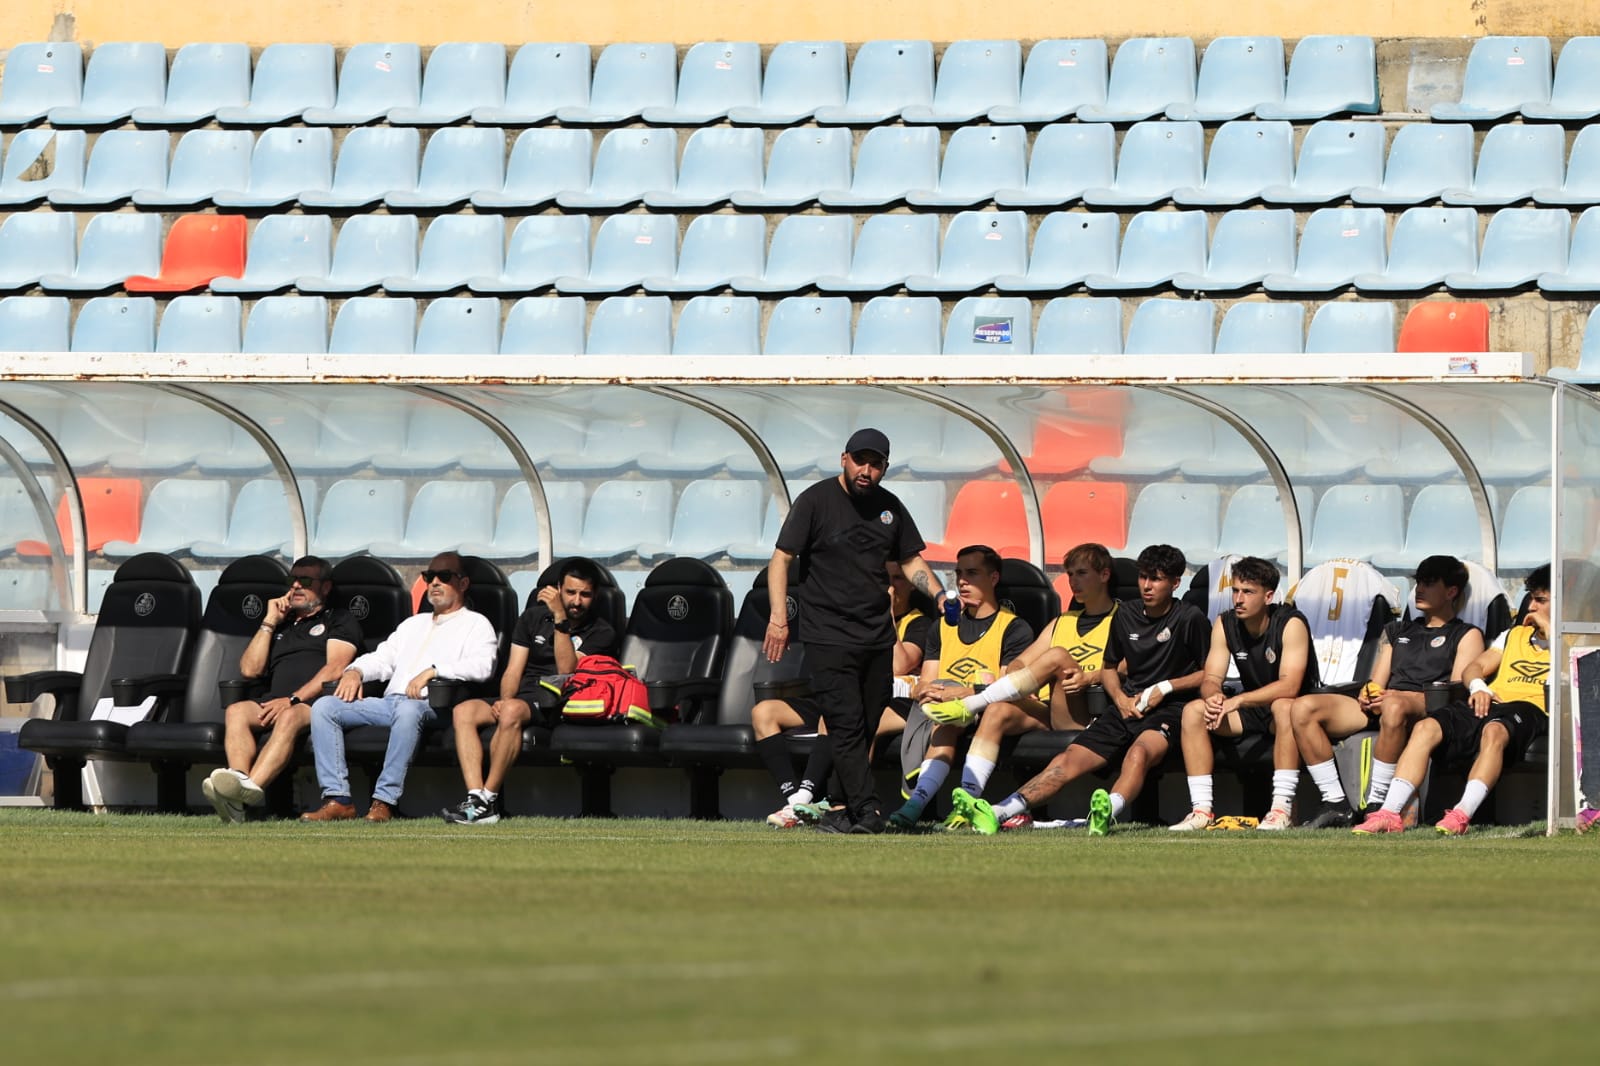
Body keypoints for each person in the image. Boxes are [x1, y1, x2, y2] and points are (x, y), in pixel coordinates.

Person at [945, 544, 1208, 836]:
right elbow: (1110, 667)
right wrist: (1120, 699)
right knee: (1065, 760)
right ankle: (998, 811)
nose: (1147, 585)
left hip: (1166, 711)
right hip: (1121, 709)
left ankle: (1107, 809)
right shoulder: (1126, 615)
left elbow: (1210, 674)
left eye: (1156, 579)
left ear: (1175, 583)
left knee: (1139, 754)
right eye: (1143, 577)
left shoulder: (1190, 618)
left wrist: (1165, 687)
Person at [763, 428, 944, 835]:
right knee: (844, 722)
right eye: (860, 460)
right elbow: (781, 559)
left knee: (863, 723)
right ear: (843, 458)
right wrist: (779, 618)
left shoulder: (890, 508)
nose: (867, 470)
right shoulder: (815, 501)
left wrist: (940, 595)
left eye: (876, 463)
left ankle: (839, 809)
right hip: (828, 634)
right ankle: (867, 810)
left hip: (876, 636)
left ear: (884, 466)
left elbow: (911, 561)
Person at [302, 552, 498, 823]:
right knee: (325, 707)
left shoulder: (476, 624)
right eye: (429, 577)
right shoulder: (412, 624)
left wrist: (435, 670)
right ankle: (338, 799)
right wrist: (355, 671)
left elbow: (483, 667)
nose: (434, 583)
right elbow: (382, 659)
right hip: (389, 702)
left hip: (434, 705)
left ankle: (383, 800)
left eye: (444, 577)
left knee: (407, 711)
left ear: (463, 584)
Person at [1289, 555, 1484, 826]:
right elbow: (1376, 681)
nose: (1419, 590)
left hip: (1428, 708)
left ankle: (1378, 802)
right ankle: (1335, 803)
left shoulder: (1466, 634)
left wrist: (1397, 697)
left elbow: (1453, 692)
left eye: (1429, 583)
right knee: (1302, 708)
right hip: (1387, 703)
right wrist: (1370, 693)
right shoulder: (1397, 630)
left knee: (1394, 706)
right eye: (1418, 583)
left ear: (1451, 591)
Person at [1355, 566, 1551, 835]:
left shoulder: (1579, 637)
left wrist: (1553, 633)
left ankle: (1461, 814)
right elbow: (1474, 668)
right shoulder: (1513, 636)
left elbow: (1575, 677)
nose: (1530, 606)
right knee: (1427, 727)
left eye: (1540, 601)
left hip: (1534, 709)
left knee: (1494, 731)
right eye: (1530, 598)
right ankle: (1389, 812)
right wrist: (1480, 686)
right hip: (1492, 702)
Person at [442, 557, 617, 825]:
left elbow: (567, 670)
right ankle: (476, 798)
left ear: (596, 595)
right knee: (463, 711)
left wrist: (561, 620)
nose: (577, 601)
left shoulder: (602, 631)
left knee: (512, 710)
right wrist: (504, 699)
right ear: (558, 588)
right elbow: (513, 669)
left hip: (558, 701)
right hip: (522, 697)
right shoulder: (533, 617)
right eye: (570, 593)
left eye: (585, 595)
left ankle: (488, 800)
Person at [760, 560, 931, 829]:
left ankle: (805, 802)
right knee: (764, 712)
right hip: (843, 690)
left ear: (910, 583)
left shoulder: (919, 622)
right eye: (884, 578)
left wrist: (884, 613)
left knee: (836, 715)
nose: (889, 586)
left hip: (888, 699)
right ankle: (795, 798)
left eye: (897, 579)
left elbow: (898, 663)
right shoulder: (859, 617)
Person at [203, 557, 362, 823]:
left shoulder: (339, 619)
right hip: (277, 700)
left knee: (289, 716)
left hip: (318, 704)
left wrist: (292, 699)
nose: (297, 586)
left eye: (306, 581)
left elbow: (336, 668)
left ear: (325, 587)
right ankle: (239, 787)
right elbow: (249, 670)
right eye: (292, 580)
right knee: (237, 711)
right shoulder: (283, 624)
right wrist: (269, 622)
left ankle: (242, 796)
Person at [888, 545, 1033, 830]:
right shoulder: (942, 627)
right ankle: (851, 801)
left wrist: (961, 692)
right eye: (958, 574)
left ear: (993, 578)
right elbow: (928, 679)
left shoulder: (1014, 628)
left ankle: (920, 801)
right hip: (945, 710)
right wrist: (924, 691)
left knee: (952, 714)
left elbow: (1007, 688)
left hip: (991, 708)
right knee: (943, 715)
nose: (962, 581)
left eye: (972, 573)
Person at [1169, 556, 1318, 832]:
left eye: (1248, 592)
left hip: (1298, 713)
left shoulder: (1291, 622)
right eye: (1235, 590)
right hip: (1253, 708)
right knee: (1194, 711)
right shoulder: (1225, 624)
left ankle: (1280, 810)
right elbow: (1211, 677)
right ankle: (1201, 810)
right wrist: (1214, 696)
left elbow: (1290, 686)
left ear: (1269, 596)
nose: (1238, 599)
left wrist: (1236, 700)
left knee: (1284, 706)